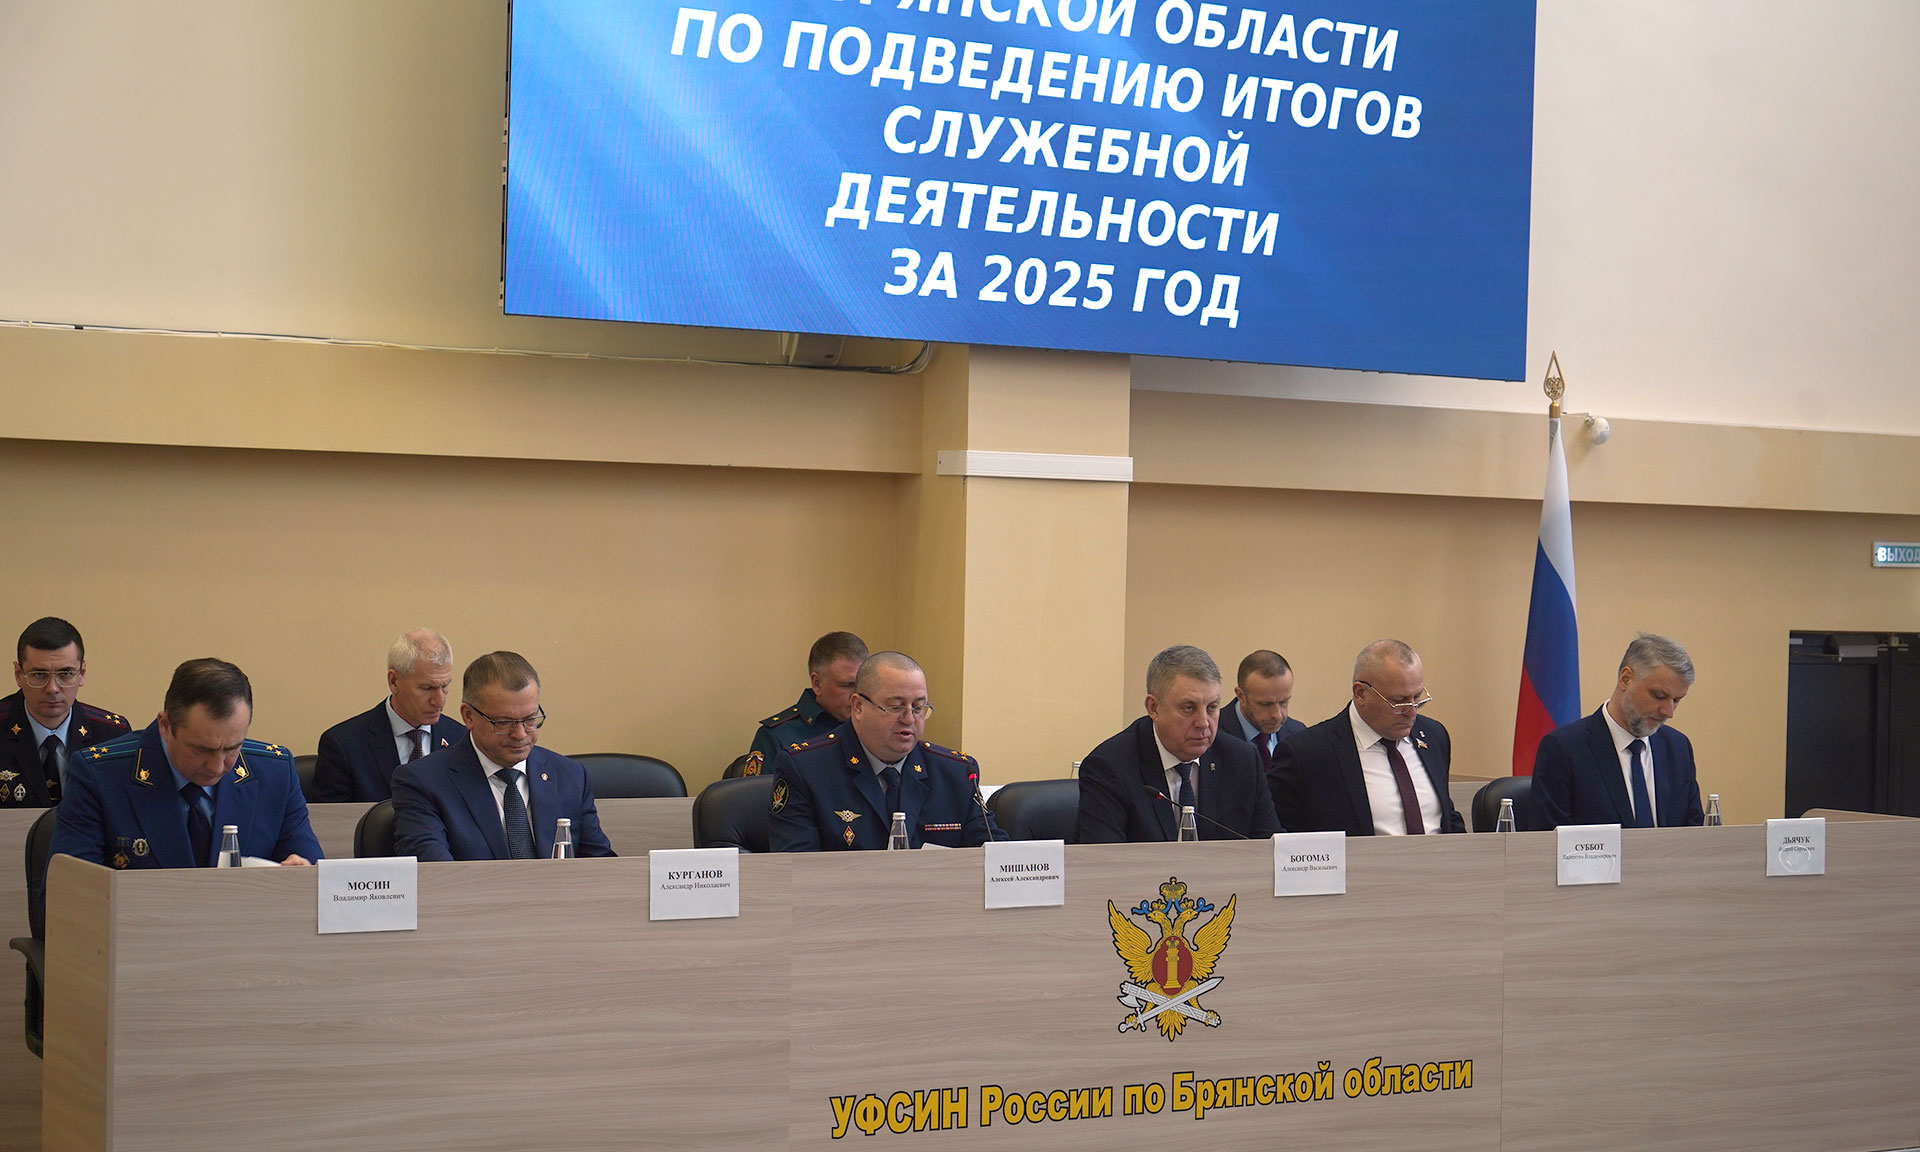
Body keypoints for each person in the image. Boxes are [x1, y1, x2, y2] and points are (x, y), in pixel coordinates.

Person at [50, 658, 321, 868]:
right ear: (166, 726)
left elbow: (318, 881)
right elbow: (67, 895)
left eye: (232, 748)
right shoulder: (100, 775)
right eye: (201, 749)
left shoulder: (275, 773)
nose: (217, 767)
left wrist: (303, 876)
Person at [769, 651, 1002, 850]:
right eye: (896, 707)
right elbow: (796, 868)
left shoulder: (957, 773)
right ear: (858, 706)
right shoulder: (806, 769)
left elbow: (995, 859)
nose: (909, 719)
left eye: (918, 707)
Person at [392, 651, 613, 860]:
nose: (520, 734)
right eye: (504, 722)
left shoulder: (570, 776)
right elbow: (434, 872)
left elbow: (601, 866)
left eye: (530, 719)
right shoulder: (424, 781)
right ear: (468, 716)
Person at [1076, 645, 1283, 843]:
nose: (1203, 723)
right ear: (1154, 708)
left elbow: (1272, 849)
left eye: (1212, 707)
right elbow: (1103, 861)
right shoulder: (1110, 767)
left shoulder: (1242, 760)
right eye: (1188, 708)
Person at [1268, 639, 1465, 836]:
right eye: (1399, 701)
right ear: (1360, 693)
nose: (1412, 712)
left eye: (1417, 698)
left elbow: (1446, 817)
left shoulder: (1434, 736)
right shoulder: (1307, 754)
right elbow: (1285, 841)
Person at [1528, 632, 1704, 830]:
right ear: (1626, 679)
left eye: (1676, 700)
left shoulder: (1677, 748)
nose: (1669, 712)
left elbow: (1695, 835)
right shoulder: (1564, 749)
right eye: (1659, 696)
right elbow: (1549, 840)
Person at [311, 628, 467, 802]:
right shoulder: (344, 745)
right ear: (394, 682)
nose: (439, 701)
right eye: (427, 688)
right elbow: (333, 818)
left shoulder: (462, 740)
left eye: (444, 686)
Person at [3, 617, 130, 807]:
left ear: (82, 674)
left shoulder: (113, 735)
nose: (52, 688)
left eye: (66, 674)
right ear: (18, 675)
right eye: (39, 674)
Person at [744, 631, 868, 775]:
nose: (857, 695)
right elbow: (762, 790)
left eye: (863, 684)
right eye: (846, 685)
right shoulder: (775, 736)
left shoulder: (873, 728)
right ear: (817, 684)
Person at [1216, 649, 1305, 774]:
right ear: (1241, 696)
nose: (1277, 715)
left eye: (1283, 702)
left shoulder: (1298, 734)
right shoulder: (1212, 735)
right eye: (1265, 704)